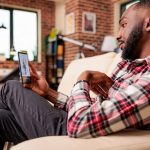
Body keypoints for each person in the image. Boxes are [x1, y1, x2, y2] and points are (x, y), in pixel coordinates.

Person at [0, 0, 150, 149]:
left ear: (148, 24)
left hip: (80, 134)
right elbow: (91, 110)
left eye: (124, 25)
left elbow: (80, 122)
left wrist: (83, 78)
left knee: (11, 88)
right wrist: (47, 93)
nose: (118, 35)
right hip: (82, 126)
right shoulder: (128, 66)